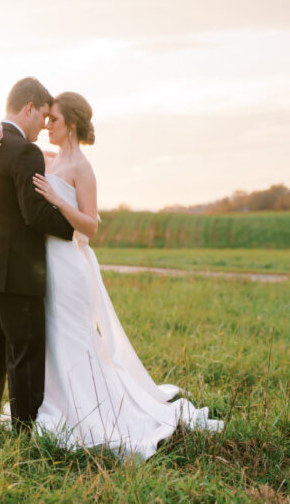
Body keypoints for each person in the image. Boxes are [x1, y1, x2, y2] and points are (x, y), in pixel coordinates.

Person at [24, 91, 223, 460]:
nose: (47, 125)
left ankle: (96, 411)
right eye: (46, 118)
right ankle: (59, 402)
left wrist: (58, 201)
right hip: (47, 263)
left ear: (70, 123)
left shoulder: (83, 167)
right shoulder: (50, 160)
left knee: (75, 336)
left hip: (70, 264)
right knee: (53, 335)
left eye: (53, 119)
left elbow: (92, 225)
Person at [0, 77, 75, 434]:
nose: (43, 127)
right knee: (25, 352)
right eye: (43, 116)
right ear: (29, 107)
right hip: (16, 273)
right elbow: (35, 213)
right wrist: (75, 224)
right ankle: (27, 432)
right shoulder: (23, 151)